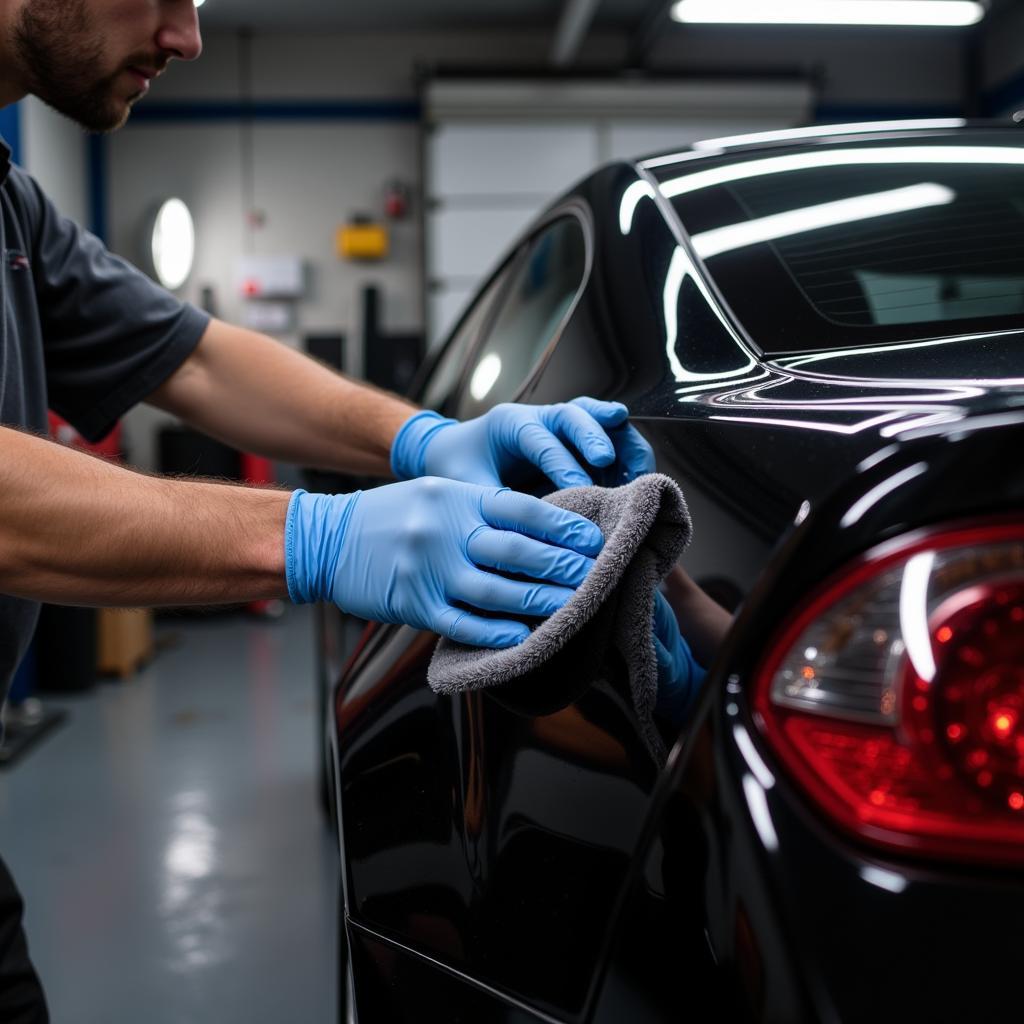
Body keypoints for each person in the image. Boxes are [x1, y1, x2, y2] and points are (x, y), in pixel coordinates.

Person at [0, 2, 721, 1019]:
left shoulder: (11, 206)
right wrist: (317, 534)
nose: (187, 37)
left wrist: (426, 438)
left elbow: (196, 357)